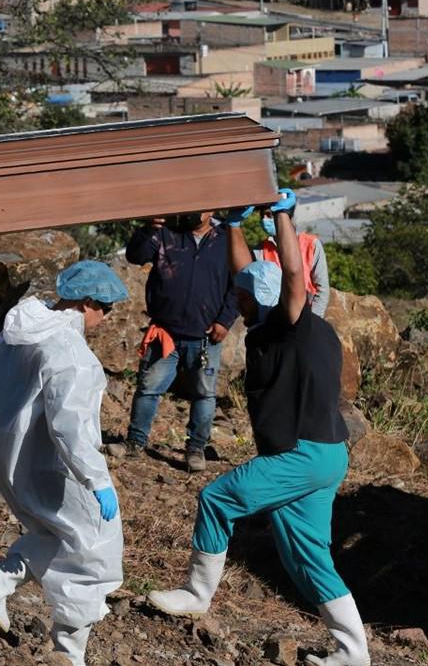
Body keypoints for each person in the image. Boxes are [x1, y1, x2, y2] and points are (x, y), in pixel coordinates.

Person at [146, 190, 370, 666]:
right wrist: (232, 226)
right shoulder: (275, 324)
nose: (236, 301)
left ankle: (196, 593)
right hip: (322, 454)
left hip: (303, 454)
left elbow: (292, 275)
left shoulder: (295, 324)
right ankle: (353, 654)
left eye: (242, 297)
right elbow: (247, 272)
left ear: (255, 301)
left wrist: (284, 218)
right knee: (307, 560)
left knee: (217, 498)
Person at [0, 260, 127, 666]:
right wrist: (98, 480)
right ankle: (68, 652)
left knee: (55, 534)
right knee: (94, 552)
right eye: (105, 309)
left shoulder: (22, 330)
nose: (106, 319)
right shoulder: (70, 353)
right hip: (56, 466)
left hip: (15, 458)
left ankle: (1, 582)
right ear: (88, 302)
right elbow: (71, 428)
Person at [119, 211, 239, 472]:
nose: (196, 211)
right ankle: (134, 443)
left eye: (204, 206)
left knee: (204, 394)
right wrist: (147, 228)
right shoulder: (166, 233)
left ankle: (195, 449)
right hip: (165, 332)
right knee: (149, 388)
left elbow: (238, 282)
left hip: (206, 336)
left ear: (212, 211)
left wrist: (225, 321)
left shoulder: (227, 239)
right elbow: (135, 256)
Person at [252, 190, 330, 316]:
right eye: (262, 215)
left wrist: (312, 321)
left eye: (269, 215)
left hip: (307, 314)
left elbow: (322, 290)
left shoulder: (312, 244)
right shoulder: (260, 251)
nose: (264, 220)